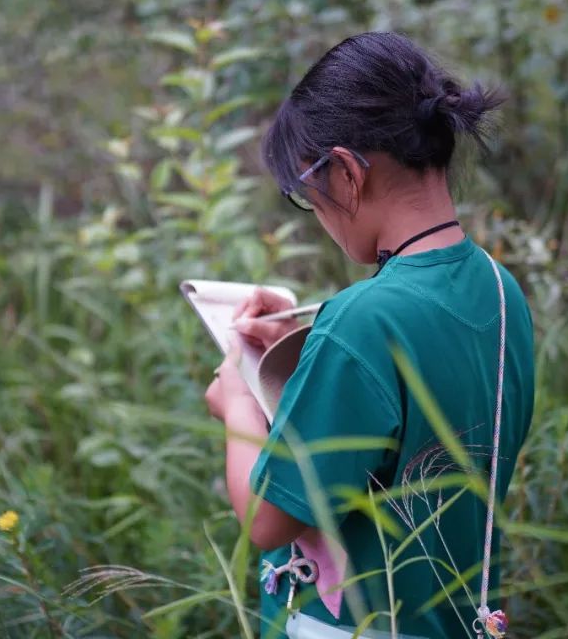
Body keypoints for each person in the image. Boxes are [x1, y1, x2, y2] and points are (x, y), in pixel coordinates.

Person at [203, 32, 535, 639]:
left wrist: (237, 400)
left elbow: (268, 521)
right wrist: (290, 353)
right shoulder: (498, 288)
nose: (318, 214)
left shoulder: (361, 321)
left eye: (309, 195)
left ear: (348, 171)